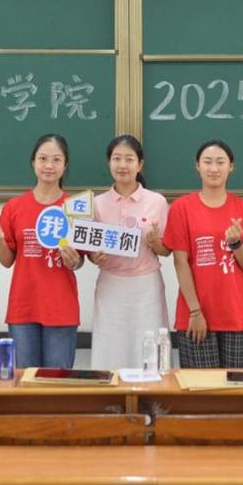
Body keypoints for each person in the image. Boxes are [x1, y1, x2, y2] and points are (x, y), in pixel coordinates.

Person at [0, 134, 82, 369]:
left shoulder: (76, 207)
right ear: (33, 162)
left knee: (57, 382)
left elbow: (81, 260)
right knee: (24, 380)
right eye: (43, 158)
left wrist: (74, 260)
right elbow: (7, 261)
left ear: (65, 165)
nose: (49, 165)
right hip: (24, 306)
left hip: (61, 307)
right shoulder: (15, 207)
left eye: (56, 160)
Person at [162, 139, 243, 368]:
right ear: (198, 165)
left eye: (220, 162)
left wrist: (236, 244)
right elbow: (180, 262)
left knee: (237, 387)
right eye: (207, 162)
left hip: (236, 314)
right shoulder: (182, 207)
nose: (214, 168)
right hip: (195, 315)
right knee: (200, 388)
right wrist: (195, 312)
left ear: (231, 166)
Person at [89, 135, 170, 370]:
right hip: (111, 285)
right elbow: (90, 249)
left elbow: (166, 250)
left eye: (129, 159)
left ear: (140, 164)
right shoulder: (96, 204)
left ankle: (150, 392)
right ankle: (112, 393)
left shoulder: (157, 202)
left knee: (148, 347)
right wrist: (95, 256)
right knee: (110, 348)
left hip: (146, 286)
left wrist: (155, 242)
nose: (122, 165)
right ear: (109, 163)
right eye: (116, 159)